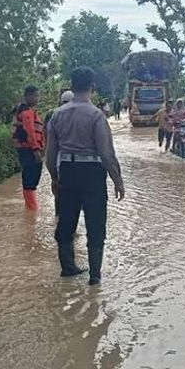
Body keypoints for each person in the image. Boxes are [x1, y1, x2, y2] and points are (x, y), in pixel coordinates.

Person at [46, 67, 125, 285]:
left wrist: (54, 177)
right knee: (96, 222)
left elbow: (50, 154)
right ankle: (95, 276)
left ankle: (68, 269)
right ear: (93, 87)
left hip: (68, 173)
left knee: (66, 222)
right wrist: (117, 180)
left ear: (72, 85)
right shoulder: (96, 115)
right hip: (93, 175)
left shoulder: (56, 115)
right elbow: (106, 154)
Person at [12, 85, 46, 211]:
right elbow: (30, 131)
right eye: (36, 96)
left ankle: (30, 207)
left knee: (29, 178)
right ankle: (32, 209)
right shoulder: (26, 112)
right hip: (29, 150)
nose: (38, 98)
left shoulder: (23, 110)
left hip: (25, 149)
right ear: (28, 96)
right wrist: (36, 150)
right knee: (31, 179)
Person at [45, 90, 74, 219]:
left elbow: (50, 148)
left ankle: (58, 219)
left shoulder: (54, 116)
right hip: (76, 164)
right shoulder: (80, 116)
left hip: (60, 163)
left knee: (59, 194)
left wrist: (53, 177)